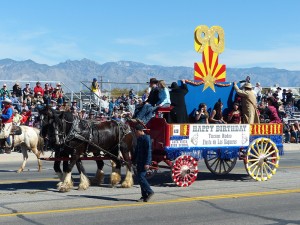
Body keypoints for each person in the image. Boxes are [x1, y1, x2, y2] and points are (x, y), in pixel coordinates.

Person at [132, 124, 154, 202]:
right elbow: (136, 151)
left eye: (136, 132)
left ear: (141, 131)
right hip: (139, 161)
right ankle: (144, 196)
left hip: (144, 162)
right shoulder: (139, 139)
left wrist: (147, 163)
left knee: (141, 177)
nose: (135, 133)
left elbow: (148, 152)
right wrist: (133, 160)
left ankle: (150, 191)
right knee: (140, 179)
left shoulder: (146, 139)